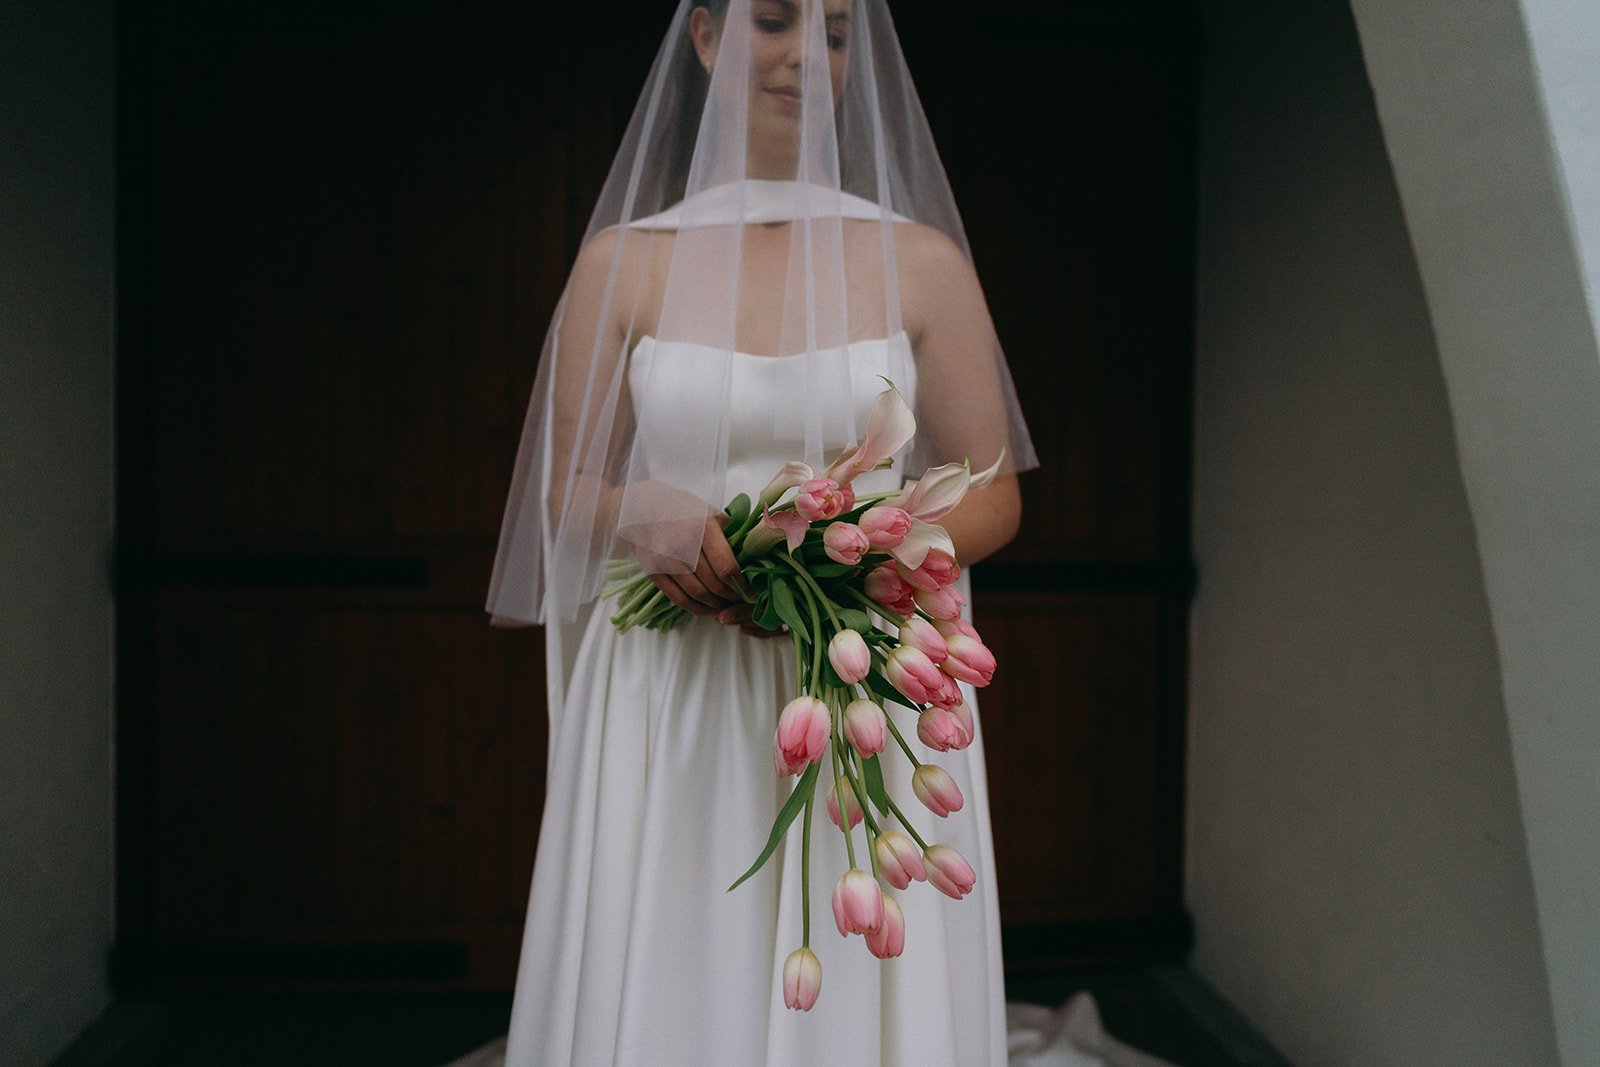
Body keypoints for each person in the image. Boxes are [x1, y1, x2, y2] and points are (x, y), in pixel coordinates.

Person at [476, 1, 1165, 1063]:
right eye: (772, 20)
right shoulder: (625, 262)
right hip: (674, 683)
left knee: (840, 948)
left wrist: (857, 558)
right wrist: (643, 509)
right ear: (704, 38)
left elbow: (990, 494)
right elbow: (563, 489)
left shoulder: (921, 262)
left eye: (836, 31)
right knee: (680, 928)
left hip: (850, 674)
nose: (806, 53)